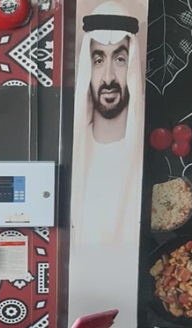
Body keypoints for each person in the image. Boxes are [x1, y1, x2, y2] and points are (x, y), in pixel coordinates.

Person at [69, 0, 142, 246]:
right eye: (98, 61)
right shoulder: (73, 153)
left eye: (119, 59)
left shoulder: (148, 151)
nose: (108, 78)